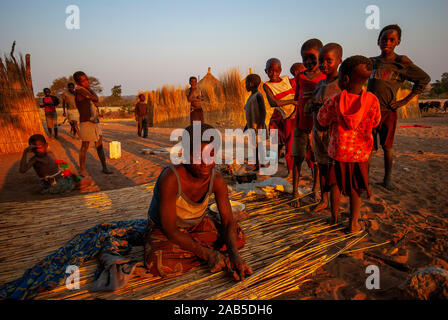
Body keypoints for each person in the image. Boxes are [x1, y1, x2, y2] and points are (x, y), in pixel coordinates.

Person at [143, 123, 253, 281]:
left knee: (237, 235)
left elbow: (228, 220)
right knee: (158, 263)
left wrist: (235, 256)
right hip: (166, 230)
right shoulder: (171, 178)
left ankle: (212, 255)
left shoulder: (217, 180)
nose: (205, 162)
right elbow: (170, 230)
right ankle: (212, 255)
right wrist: (207, 254)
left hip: (196, 225)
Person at [317, 55, 381, 233]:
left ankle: (334, 218)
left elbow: (321, 121)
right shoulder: (372, 101)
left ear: (344, 78)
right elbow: (375, 122)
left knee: (335, 185)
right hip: (360, 155)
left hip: (337, 152)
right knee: (355, 189)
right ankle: (353, 224)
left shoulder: (335, 101)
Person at [367, 24, 430, 190]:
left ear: (398, 42)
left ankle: (387, 179)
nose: (387, 42)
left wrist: (404, 101)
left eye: (391, 40)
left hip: (388, 112)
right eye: (383, 39)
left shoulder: (401, 64)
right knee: (367, 146)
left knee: (387, 147)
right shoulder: (373, 62)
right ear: (378, 41)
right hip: (370, 112)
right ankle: (363, 180)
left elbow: (424, 79)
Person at [291, 39, 326, 207]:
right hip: (300, 125)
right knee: (297, 158)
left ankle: (315, 190)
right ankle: (294, 192)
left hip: (317, 127)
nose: (308, 62)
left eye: (312, 57)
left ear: (320, 55)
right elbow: (296, 98)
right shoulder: (299, 77)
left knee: (317, 160)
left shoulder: (325, 77)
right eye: (304, 58)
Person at [309, 43, 343, 212]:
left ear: (339, 61)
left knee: (333, 171)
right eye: (321, 61)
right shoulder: (320, 84)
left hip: (332, 135)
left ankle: (334, 208)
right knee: (321, 166)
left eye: (329, 60)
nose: (324, 64)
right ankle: (323, 200)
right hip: (317, 132)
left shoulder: (341, 83)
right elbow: (314, 105)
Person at [73, 71, 112, 176]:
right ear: (77, 82)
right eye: (83, 80)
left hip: (94, 121)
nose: (87, 82)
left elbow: (95, 98)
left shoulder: (85, 90)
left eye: (86, 79)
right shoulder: (79, 91)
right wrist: (90, 94)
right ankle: (82, 169)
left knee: (99, 145)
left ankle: (104, 167)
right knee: (85, 146)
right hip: (86, 122)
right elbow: (95, 98)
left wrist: (90, 92)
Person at [263, 58, 298, 175]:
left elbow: (298, 96)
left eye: (276, 71)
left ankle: (290, 170)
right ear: (265, 71)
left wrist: (295, 108)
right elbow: (273, 103)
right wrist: (292, 101)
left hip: (291, 116)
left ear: (281, 70)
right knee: (275, 141)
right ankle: (274, 162)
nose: (273, 74)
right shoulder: (267, 85)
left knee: (290, 143)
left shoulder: (287, 80)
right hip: (278, 115)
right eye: (270, 71)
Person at [244, 73, 267, 171]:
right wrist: (246, 126)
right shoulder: (251, 96)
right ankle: (258, 164)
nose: (245, 86)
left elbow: (263, 111)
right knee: (255, 146)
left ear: (251, 84)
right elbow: (250, 113)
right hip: (252, 126)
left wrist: (260, 125)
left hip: (258, 126)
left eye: (246, 83)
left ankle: (259, 165)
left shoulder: (258, 95)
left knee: (258, 146)